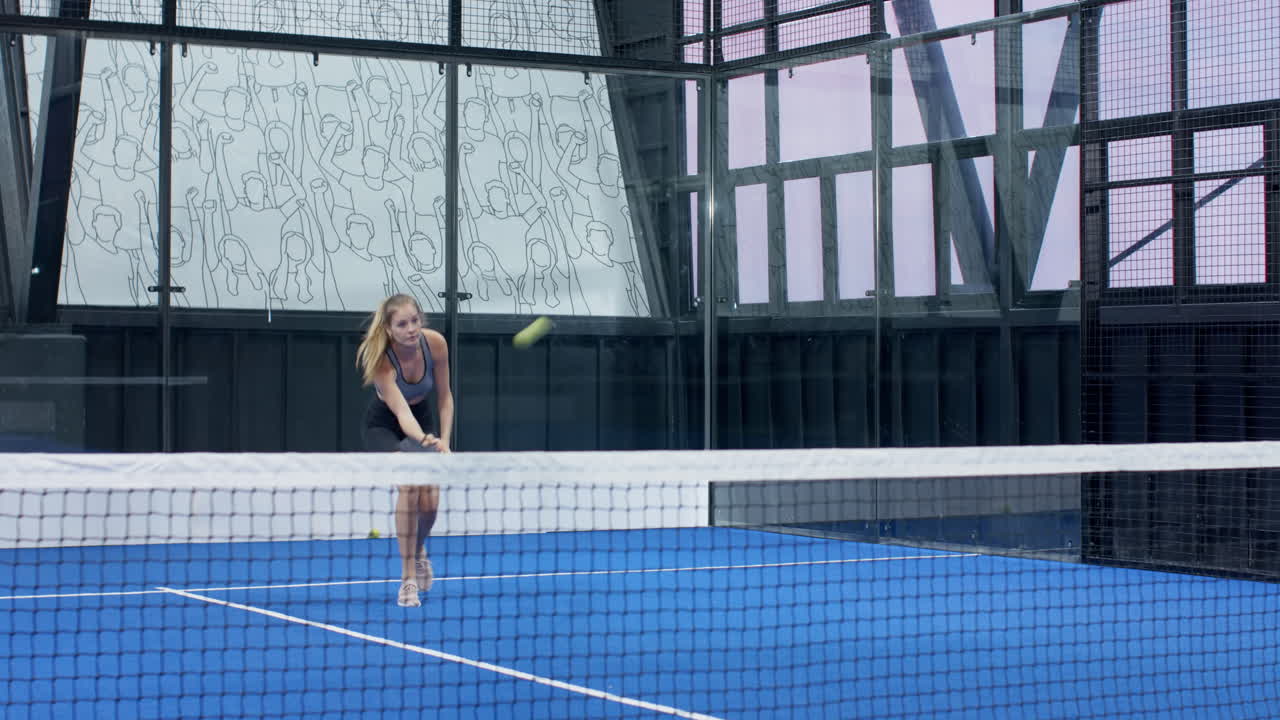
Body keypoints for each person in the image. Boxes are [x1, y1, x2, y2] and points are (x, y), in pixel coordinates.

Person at [356, 293, 454, 608]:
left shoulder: (435, 344)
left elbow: (445, 398)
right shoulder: (382, 361)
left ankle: (419, 550)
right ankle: (407, 579)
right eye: (402, 324)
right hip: (384, 425)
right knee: (409, 486)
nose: (411, 329)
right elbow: (401, 414)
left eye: (414, 321)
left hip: (423, 417)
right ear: (388, 329)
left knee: (431, 504)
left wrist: (445, 441)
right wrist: (425, 440)